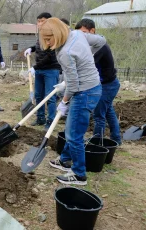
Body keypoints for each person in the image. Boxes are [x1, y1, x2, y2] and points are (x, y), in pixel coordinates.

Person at [39, 18, 106, 185]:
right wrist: (86, 58)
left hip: (84, 92)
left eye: (49, 39)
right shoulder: (78, 34)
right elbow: (101, 40)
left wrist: (64, 101)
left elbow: (74, 85)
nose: (47, 43)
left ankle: (79, 174)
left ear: (57, 33)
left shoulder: (65, 52)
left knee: (73, 134)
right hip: (92, 87)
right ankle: (65, 160)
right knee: (73, 127)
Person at [75, 19, 122, 145]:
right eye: (79, 33)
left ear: (92, 31)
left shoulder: (99, 47)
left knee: (99, 115)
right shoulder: (91, 46)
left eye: (85, 32)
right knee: (108, 111)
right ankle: (116, 138)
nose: (82, 36)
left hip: (108, 85)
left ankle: (96, 144)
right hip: (107, 83)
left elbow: (87, 64)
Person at [24, 12, 61, 130]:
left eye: (43, 21)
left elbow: (49, 56)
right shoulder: (40, 34)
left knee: (50, 97)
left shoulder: (53, 35)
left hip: (51, 70)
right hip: (40, 70)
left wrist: (35, 67)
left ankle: (50, 121)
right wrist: (31, 48)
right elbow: (39, 45)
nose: (40, 23)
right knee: (38, 96)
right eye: (38, 21)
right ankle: (40, 118)